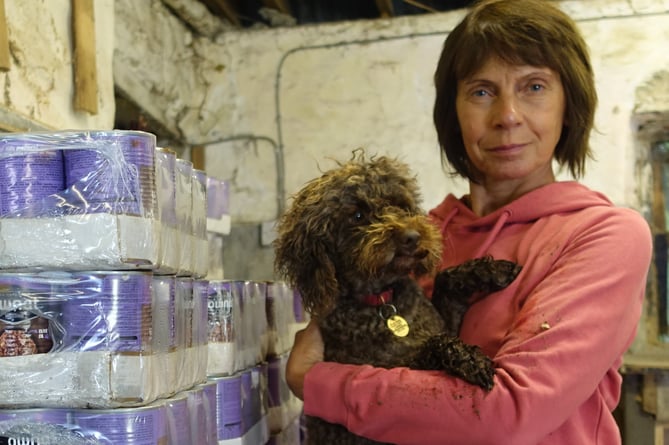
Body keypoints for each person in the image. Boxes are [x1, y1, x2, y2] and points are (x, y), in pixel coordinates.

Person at [285, 0, 654, 444]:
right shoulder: (415, 236)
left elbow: (510, 412)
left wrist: (318, 383)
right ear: (453, 113)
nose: (507, 116)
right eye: (481, 91)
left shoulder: (604, 235)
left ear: (569, 106)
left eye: (534, 87)